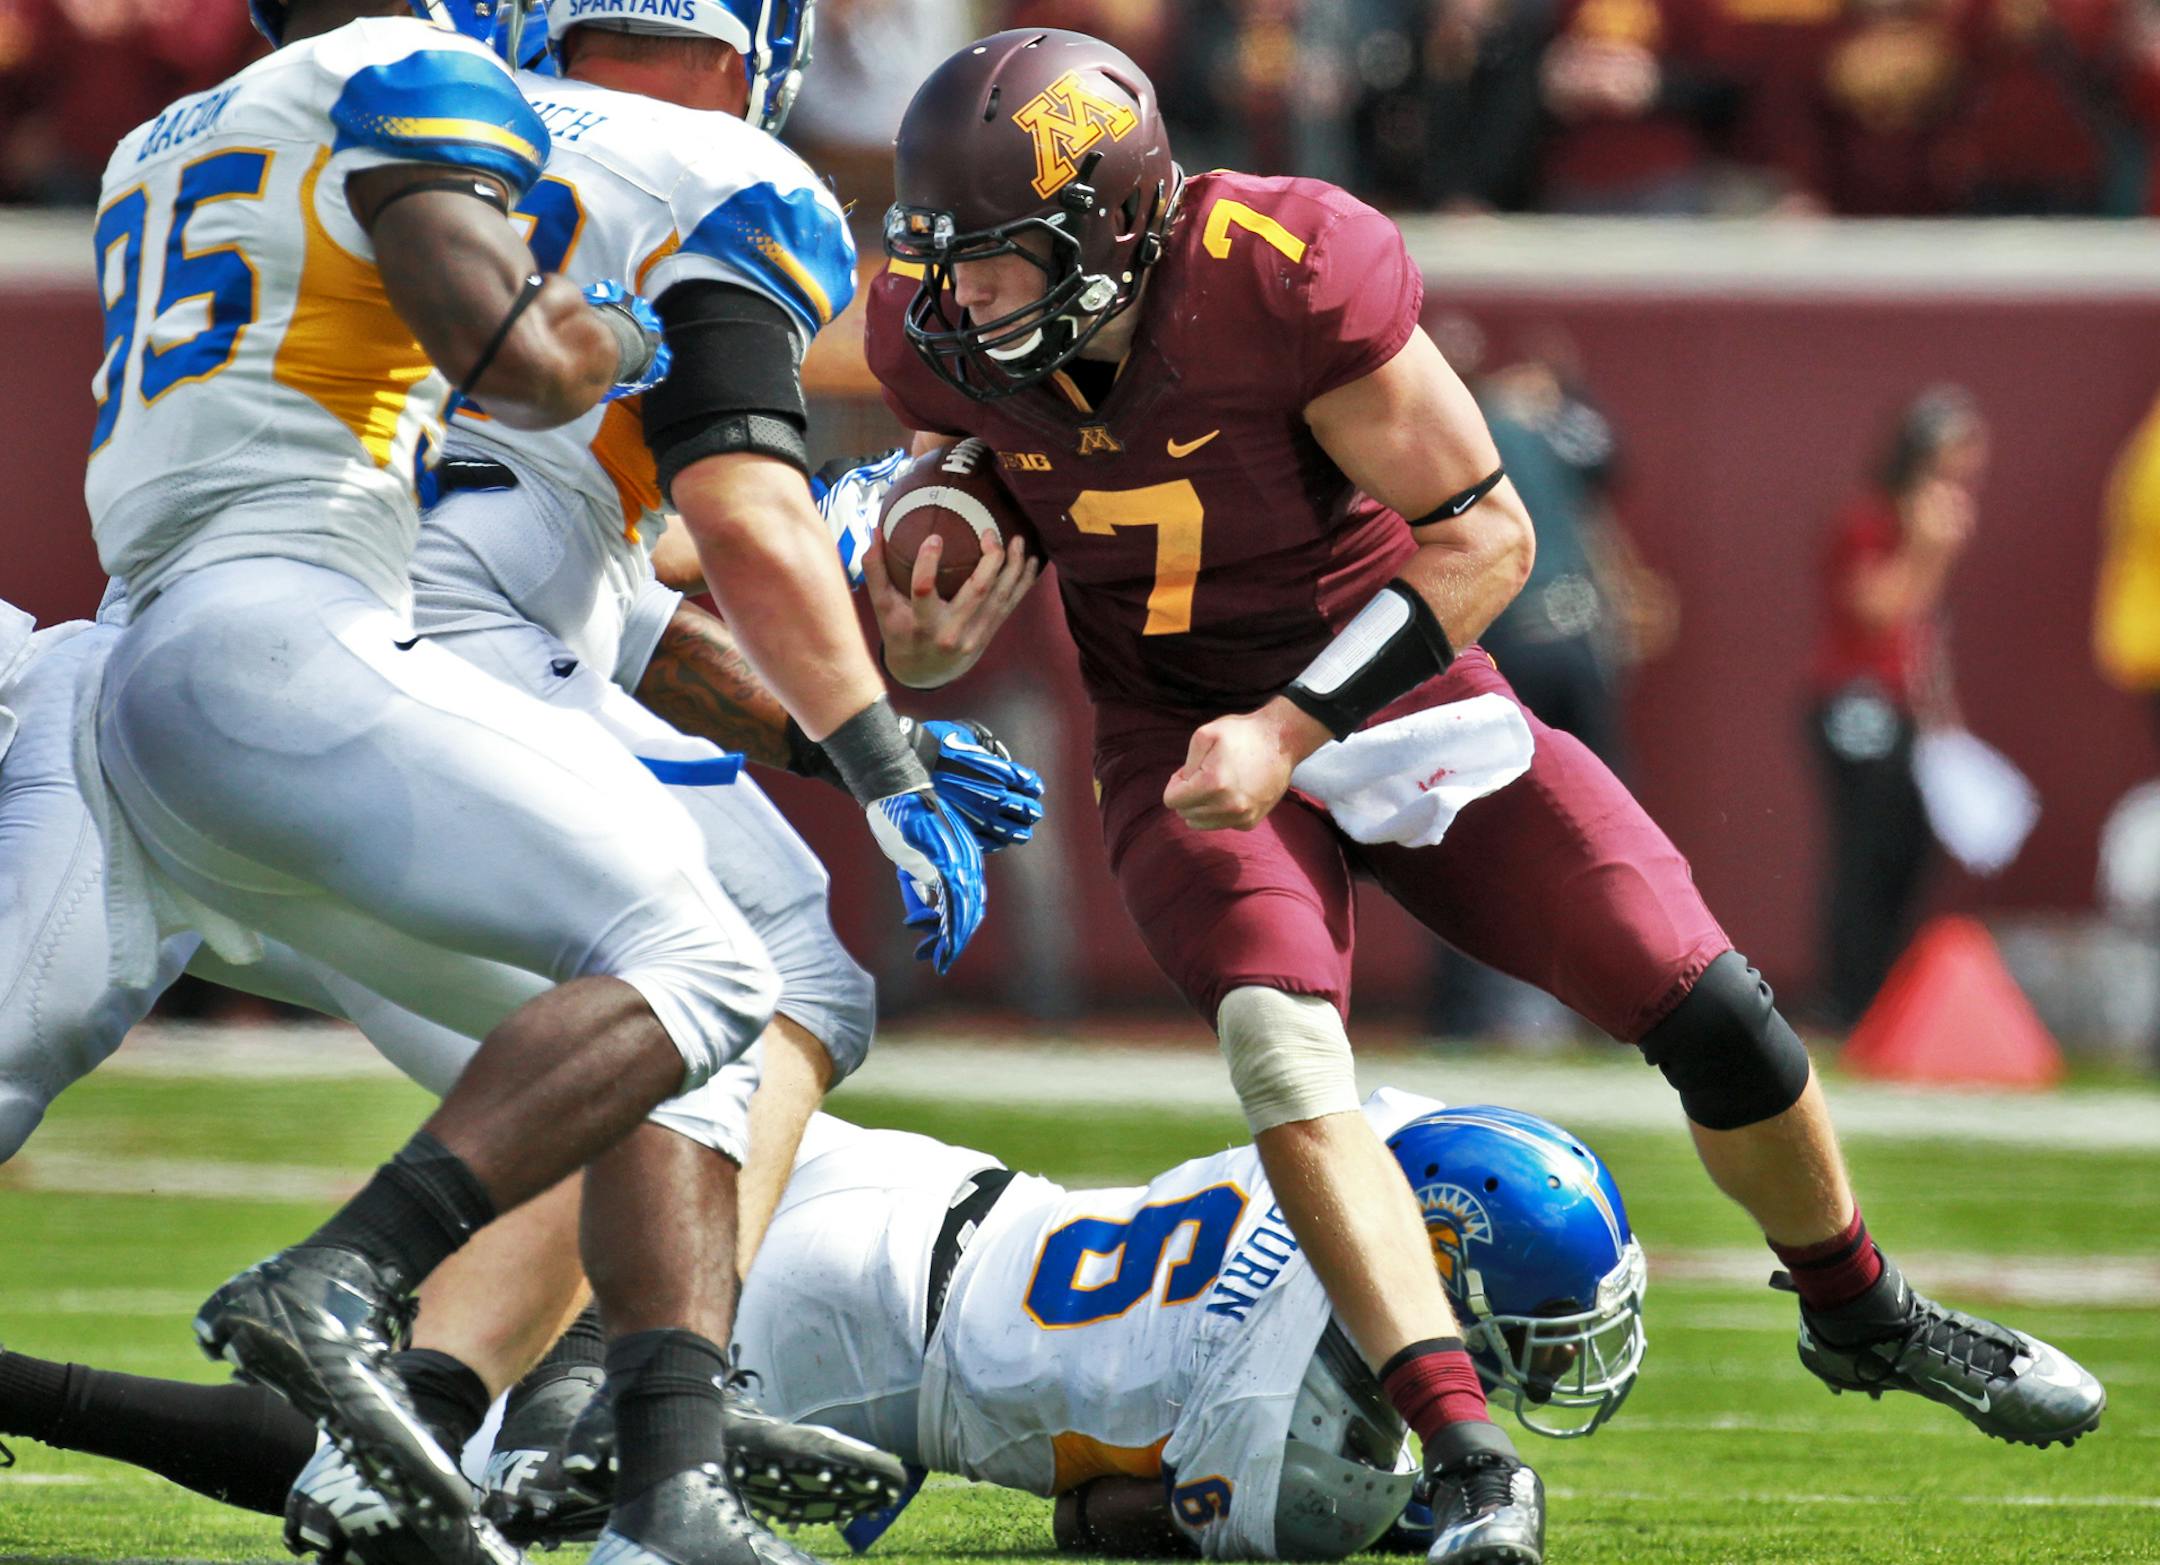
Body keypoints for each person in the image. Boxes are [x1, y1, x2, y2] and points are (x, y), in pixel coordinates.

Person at [852, 31, 2105, 1564]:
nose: (957, 302)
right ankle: (1465, 1457)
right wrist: (935, 580)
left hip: (1389, 693)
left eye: (999, 262)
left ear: (1118, 228)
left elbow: (1486, 539)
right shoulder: (942, 332)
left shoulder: (1280, 266)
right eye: (948, 264)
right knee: (1282, 1046)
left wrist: (1296, 722)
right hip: (1179, 733)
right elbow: (960, 465)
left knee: (1713, 1009)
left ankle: (1864, 1310)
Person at [80, 3, 982, 1563]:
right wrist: (876, 748)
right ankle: (516, 1380)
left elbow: (604, 576)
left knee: (683, 1005)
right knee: (739, 971)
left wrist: (799, 721)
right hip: (380, 651)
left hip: (199, 656)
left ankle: (509, 1422)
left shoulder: (442, 129)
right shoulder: (719, 163)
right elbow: (738, 503)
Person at [0, 1095, 1647, 1562]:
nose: (1551, 1359)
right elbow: (1097, 1519)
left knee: (472, 1377)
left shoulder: (1373, 1131)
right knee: (418, 1470)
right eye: (1542, 1327)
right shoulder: (1309, 1466)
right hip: (869, 1353)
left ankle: (541, 1403)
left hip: (917, 1181)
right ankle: (25, 1389)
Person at [1806, 387, 1985, 1028]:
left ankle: (1884, 996)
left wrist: (1944, 717)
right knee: (1866, 851)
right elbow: (1881, 612)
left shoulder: (1919, 521)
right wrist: (1927, 549)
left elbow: (1923, 637)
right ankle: (1848, 998)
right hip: (1856, 701)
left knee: (1909, 850)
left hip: (1904, 708)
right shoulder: (1872, 519)